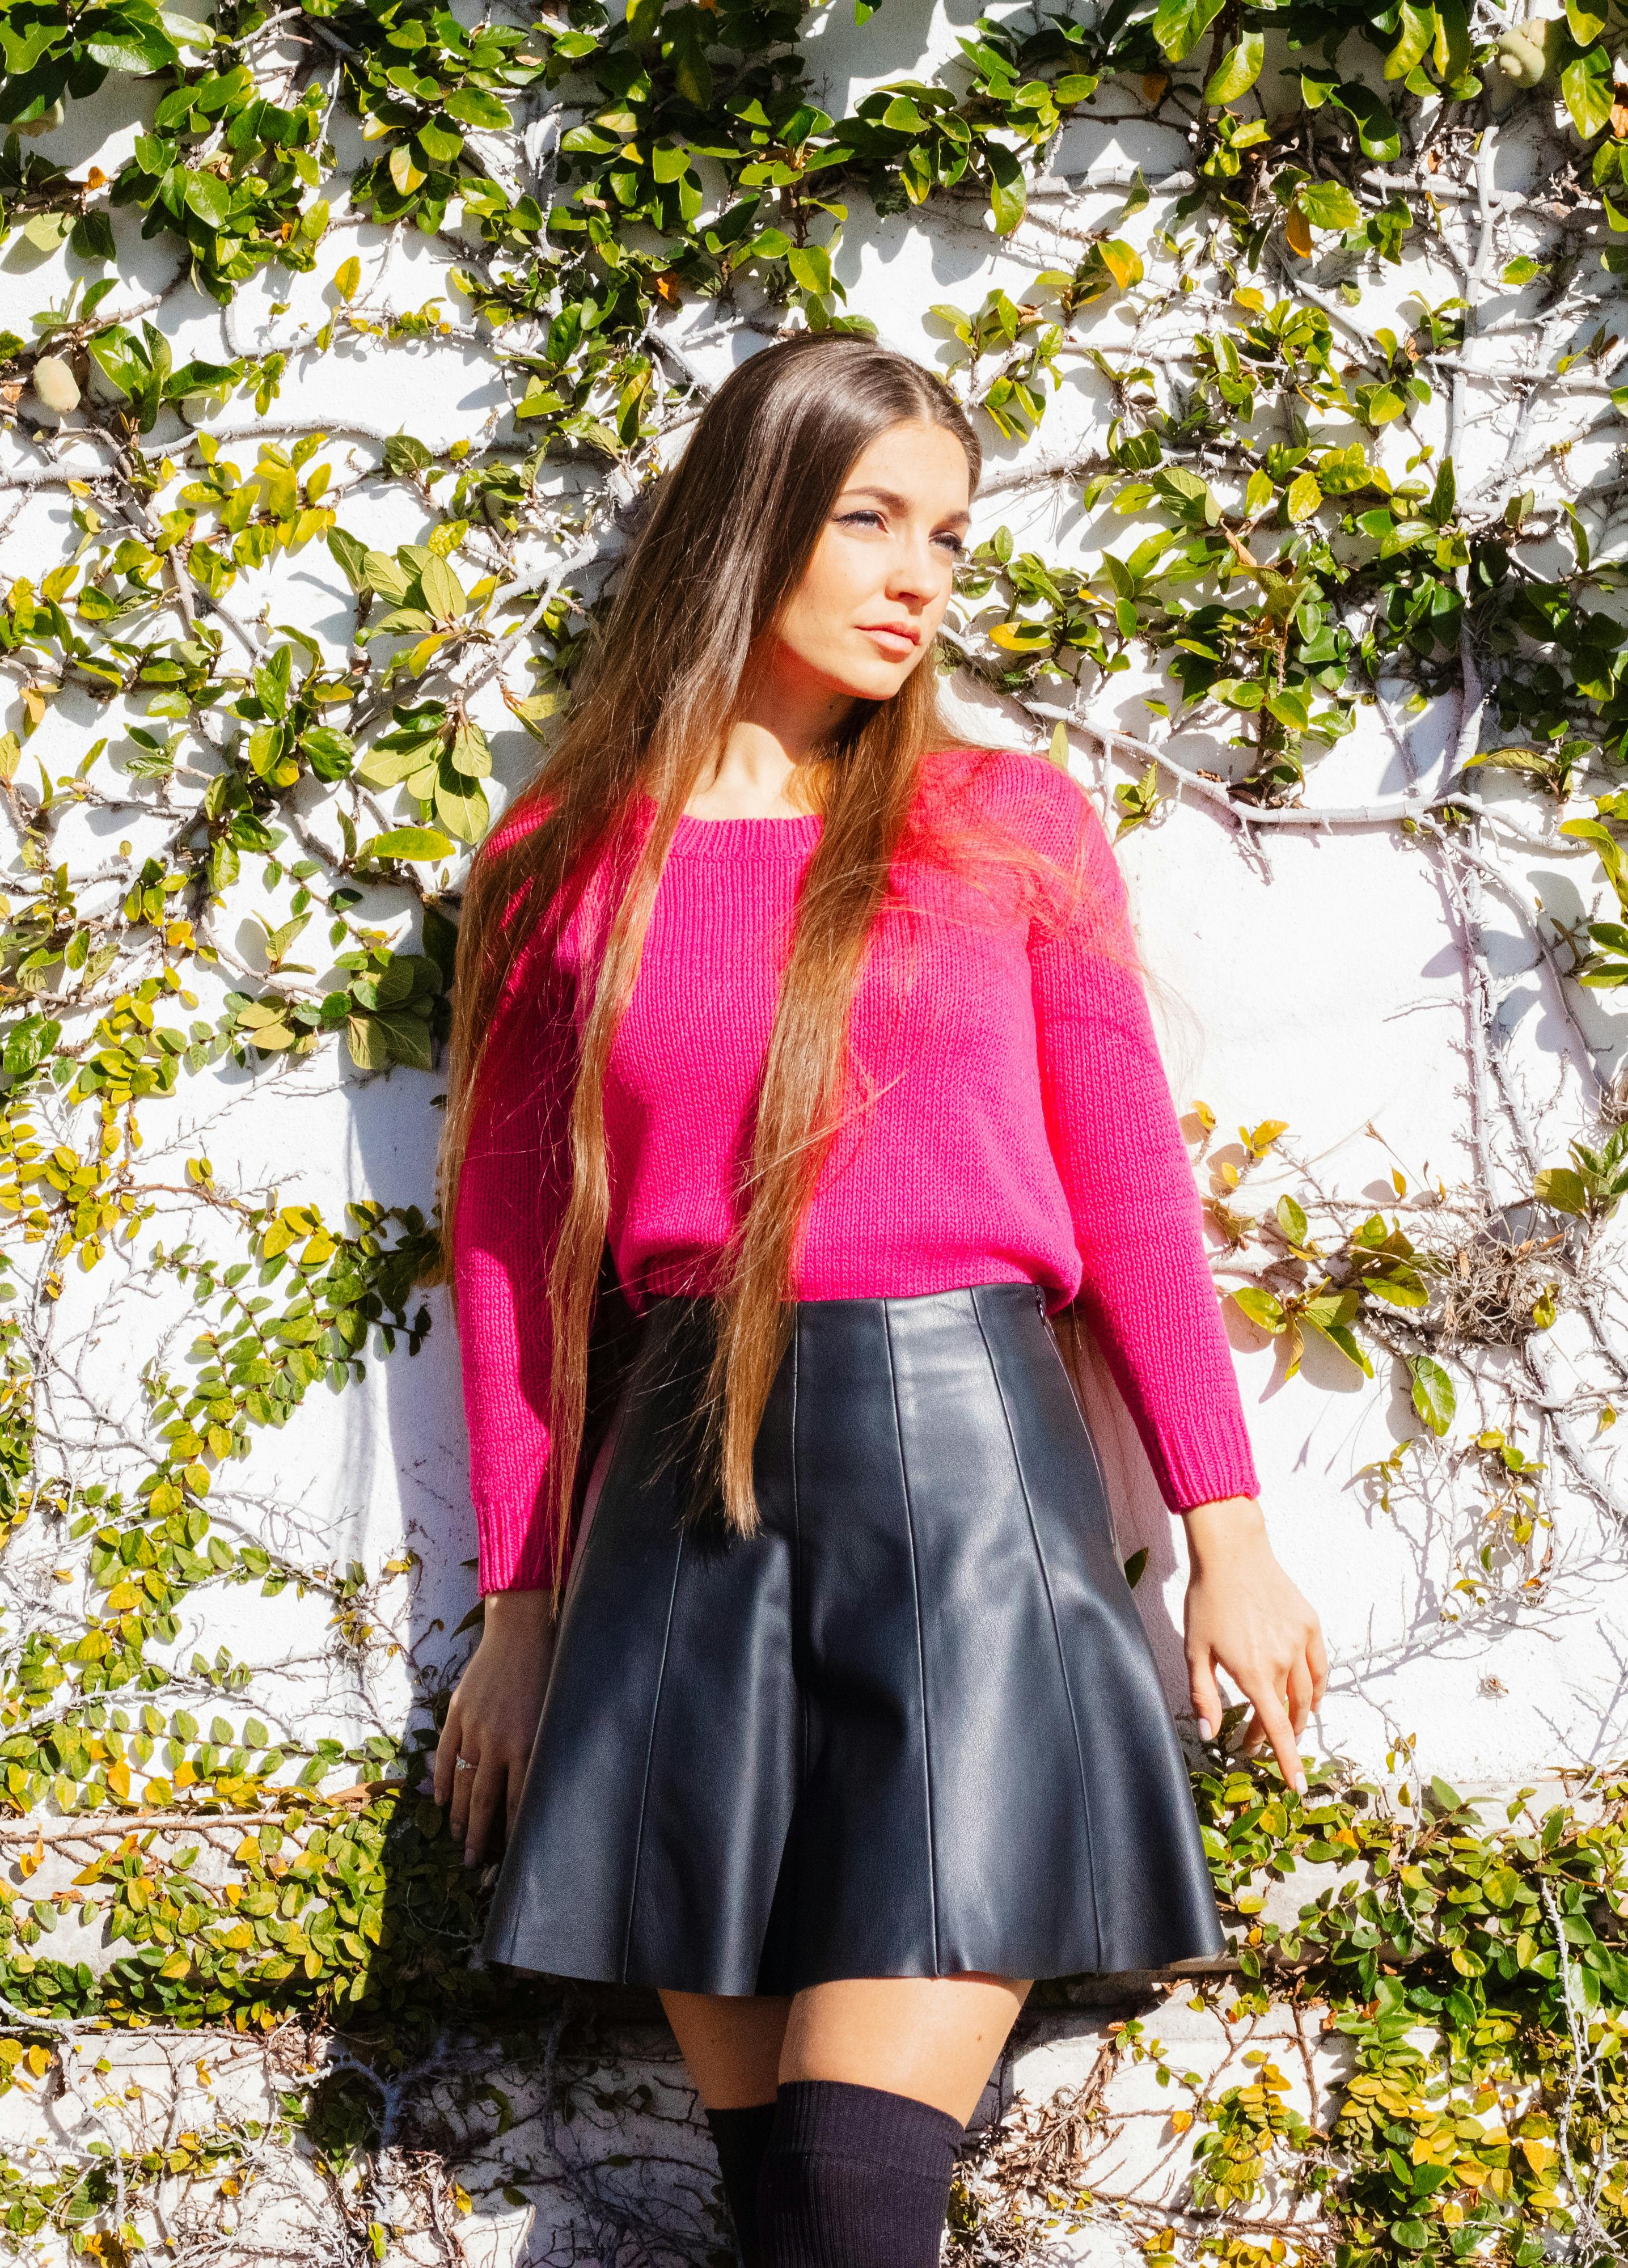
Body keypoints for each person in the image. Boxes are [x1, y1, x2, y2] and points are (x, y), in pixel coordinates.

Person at [423, 329, 1327, 2268]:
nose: (923, 576)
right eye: (872, 520)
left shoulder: (1008, 826)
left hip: (969, 1500)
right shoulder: (562, 863)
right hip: (685, 1519)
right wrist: (521, 1607)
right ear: (752, 525)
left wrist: (1225, 1531)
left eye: (950, 535)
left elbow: (1134, 1195)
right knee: (780, 2205)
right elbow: (512, 1266)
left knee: (851, 2177)